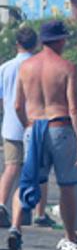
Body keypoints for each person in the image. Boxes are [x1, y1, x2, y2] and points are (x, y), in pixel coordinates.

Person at [11, 21, 77, 250]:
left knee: (28, 179)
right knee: (67, 185)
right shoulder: (66, 67)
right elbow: (74, 108)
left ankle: (16, 227)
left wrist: (27, 124)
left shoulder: (26, 67)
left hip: (33, 128)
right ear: (59, 40)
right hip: (60, 127)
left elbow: (17, 105)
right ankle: (70, 236)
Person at [0, 28, 47, 227]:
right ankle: (39, 213)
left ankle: (2, 204)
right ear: (36, 44)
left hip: (11, 124)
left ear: (16, 44)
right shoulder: (40, 66)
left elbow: (2, 100)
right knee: (39, 169)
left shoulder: (5, 67)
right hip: (35, 124)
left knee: (11, 167)